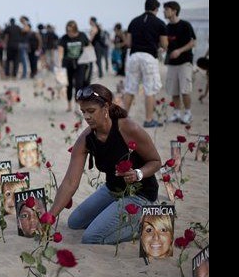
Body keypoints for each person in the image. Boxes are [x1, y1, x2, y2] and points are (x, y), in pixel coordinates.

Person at [48, 84, 162, 244]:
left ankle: (147, 222)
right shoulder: (86, 138)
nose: (86, 116)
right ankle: (114, 213)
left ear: (106, 107)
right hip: (113, 190)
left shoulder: (128, 128)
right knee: (74, 222)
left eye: (91, 111)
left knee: (91, 237)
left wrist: (138, 173)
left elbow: (156, 161)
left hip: (140, 194)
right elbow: (70, 182)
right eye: (83, 112)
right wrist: (50, 217)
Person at [123, 0, 168, 128]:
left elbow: (128, 43)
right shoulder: (159, 23)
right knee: (150, 89)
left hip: (134, 55)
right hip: (149, 56)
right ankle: (148, 120)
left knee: (130, 88)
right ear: (156, 9)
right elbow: (164, 44)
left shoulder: (134, 21)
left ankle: (123, 118)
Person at [162, 1, 197, 124]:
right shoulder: (166, 27)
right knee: (174, 90)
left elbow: (193, 43)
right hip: (172, 63)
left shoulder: (185, 25)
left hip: (185, 62)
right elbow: (165, 44)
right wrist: (163, 48)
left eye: (166, 10)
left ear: (174, 11)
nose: (164, 12)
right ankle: (176, 113)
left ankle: (188, 113)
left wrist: (179, 51)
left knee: (185, 89)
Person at [57, 20, 92, 113]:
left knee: (79, 84)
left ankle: (78, 105)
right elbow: (60, 51)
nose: (69, 33)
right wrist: (59, 65)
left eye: (71, 31)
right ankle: (69, 105)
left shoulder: (82, 36)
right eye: (67, 31)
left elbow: (88, 47)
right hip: (67, 64)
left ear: (75, 29)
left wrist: (90, 58)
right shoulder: (64, 38)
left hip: (81, 64)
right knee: (69, 85)